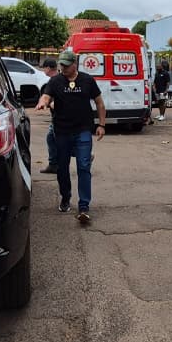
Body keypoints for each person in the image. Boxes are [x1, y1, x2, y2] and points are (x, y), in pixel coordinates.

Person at [35, 49, 107, 224]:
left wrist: (101, 125)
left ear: (75, 64)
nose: (64, 68)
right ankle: (65, 197)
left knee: (83, 166)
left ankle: (84, 206)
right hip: (62, 131)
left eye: (67, 65)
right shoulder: (56, 81)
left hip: (83, 130)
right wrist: (42, 103)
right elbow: (46, 96)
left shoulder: (87, 80)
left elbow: (99, 103)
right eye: (62, 65)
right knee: (62, 168)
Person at [37, 57, 60, 174]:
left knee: (60, 141)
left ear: (49, 68)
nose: (43, 71)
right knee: (51, 139)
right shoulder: (56, 79)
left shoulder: (55, 80)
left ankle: (85, 154)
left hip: (59, 118)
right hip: (56, 117)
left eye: (44, 68)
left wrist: (50, 103)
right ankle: (53, 164)